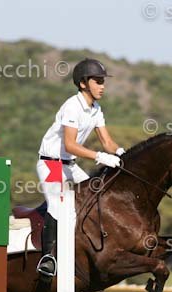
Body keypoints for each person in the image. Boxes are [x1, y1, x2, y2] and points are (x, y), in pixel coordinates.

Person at [36, 58, 125, 280]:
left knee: (97, 197)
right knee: (57, 204)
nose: (102, 86)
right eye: (98, 81)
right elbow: (70, 145)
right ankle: (48, 259)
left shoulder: (96, 109)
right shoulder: (72, 107)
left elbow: (107, 142)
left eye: (103, 81)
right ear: (84, 83)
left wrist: (122, 153)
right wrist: (100, 156)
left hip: (70, 165)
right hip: (52, 164)